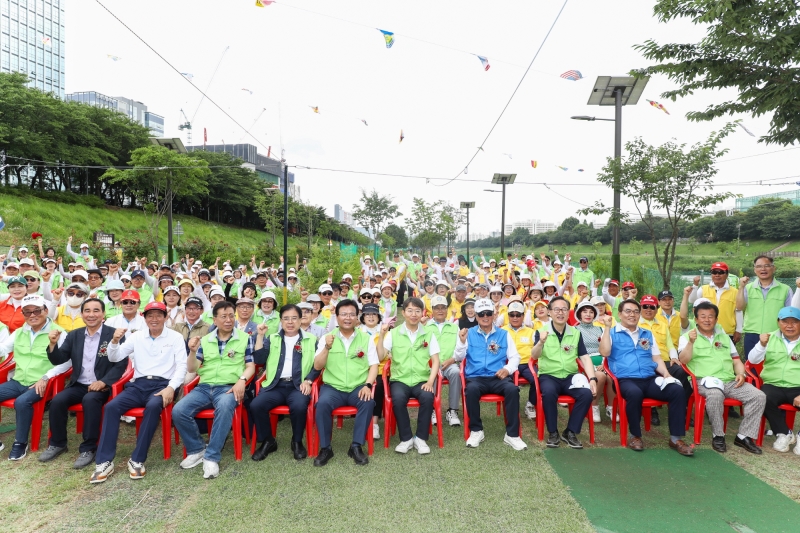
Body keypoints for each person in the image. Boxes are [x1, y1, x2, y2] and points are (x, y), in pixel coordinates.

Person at [91, 301, 187, 483]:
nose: (154, 319)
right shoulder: (137, 337)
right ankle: (103, 461)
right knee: (111, 407)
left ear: (165, 317)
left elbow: (182, 366)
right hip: (139, 384)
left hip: (163, 385)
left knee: (152, 407)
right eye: (150, 315)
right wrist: (114, 341)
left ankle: (137, 459)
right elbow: (115, 356)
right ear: (144, 317)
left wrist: (171, 388)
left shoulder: (174, 337)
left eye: (159, 315)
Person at [173, 301, 256, 479]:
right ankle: (197, 449)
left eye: (231, 316)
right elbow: (192, 368)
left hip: (228, 387)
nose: (228, 320)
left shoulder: (244, 338)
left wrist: (242, 380)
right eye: (223, 316)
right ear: (215, 320)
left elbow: (250, 366)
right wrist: (193, 352)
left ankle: (211, 456)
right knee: (179, 410)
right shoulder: (205, 340)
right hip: (204, 387)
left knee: (225, 407)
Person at [41, 298, 128, 468]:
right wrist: (52, 345)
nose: (91, 314)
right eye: (87, 311)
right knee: (57, 400)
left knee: (90, 400)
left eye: (96, 310)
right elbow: (59, 359)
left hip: (102, 386)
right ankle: (58, 443)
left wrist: (103, 382)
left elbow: (121, 364)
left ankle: (89, 448)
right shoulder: (75, 335)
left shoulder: (114, 334)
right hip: (79, 384)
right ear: (82, 314)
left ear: (103, 314)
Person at [599, 299, 693, 456]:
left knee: (677, 390)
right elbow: (605, 352)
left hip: (649, 379)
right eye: (628, 311)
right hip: (625, 379)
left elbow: (656, 359)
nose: (632, 314)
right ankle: (635, 436)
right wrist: (607, 328)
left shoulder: (647, 334)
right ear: (620, 314)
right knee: (635, 393)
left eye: (636, 311)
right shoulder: (611, 332)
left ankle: (676, 438)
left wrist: (667, 375)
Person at [678, 301, 765, 454]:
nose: (707, 320)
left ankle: (743, 436)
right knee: (715, 394)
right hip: (703, 381)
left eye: (711, 316)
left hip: (728, 380)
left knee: (758, 396)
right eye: (702, 316)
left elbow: (736, 360)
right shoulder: (687, 337)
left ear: (716, 319)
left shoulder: (724, 337)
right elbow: (683, 361)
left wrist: (740, 374)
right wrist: (691, 343)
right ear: (696, 319)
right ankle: (718, 435)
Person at [453, 298, 527, 451]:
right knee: (471, 390)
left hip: (498, 377)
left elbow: (515, 357)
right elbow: (459, 357)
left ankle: (512, 435)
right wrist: (461, 342)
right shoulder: (468, 333)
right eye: (481, 314)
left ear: (494, 315)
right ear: (477, 315)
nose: (485, 317)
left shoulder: (504, 334)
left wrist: (507, 369)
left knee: (512, 390)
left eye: (488, 313)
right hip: (476, 377)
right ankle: (476, 430)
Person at [0, 295, 68, 460]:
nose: (32, 315)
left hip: (44, 382)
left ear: (46, 310)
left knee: (22, 402)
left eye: (37, 310)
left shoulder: (58, 332)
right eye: (27, 312)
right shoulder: (19, 332)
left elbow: (67, 363)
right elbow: (3, 348)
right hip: (18, 380)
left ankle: (20, 442)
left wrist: (46, 377)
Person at [312, 299, 379, 467]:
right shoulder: (327, 338)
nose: (347, 318)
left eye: (351, 314)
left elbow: (374, 366)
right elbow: (317, 366)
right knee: (322, 405)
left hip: (358, 387)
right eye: (343, 314)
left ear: (357, 317)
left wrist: (368, 385)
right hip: (333, 387)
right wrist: (327, 348)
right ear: (336, 316)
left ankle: (356, 446)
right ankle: (326, 448)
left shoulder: (366, 338)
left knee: (368, 402)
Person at [250, 304, 319, 461]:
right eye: (286, 318)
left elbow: (318, 365)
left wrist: (309, 380)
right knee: (256, 405)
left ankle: (296, 441)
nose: (290, 322)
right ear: (281, 321)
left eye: (294, 318)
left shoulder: (311, 340)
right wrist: (260, 336)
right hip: (276, 385)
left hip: (298, 385)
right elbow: (259, 360)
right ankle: (268, 441)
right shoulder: (273, 338)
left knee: (299, 406)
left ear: (301, 320)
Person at [530, 297, 596, 449]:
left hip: (570, 376)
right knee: (549, 393)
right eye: (557, 310)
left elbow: (585, 357)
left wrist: (592, 378)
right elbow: (534, 356)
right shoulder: (541, 331)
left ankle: (570, 432)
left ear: (568, 313)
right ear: (550, 312)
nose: (560, 313)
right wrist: (541, 342)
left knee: (586, 394)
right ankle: (553, 432)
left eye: (564, 309)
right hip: (549, 375)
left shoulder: (576, 332)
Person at [378, 298, 440, 455]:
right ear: (403, 313)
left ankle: (420, 438)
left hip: (421, 379)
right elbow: (380, 357)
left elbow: (435, 360)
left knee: (427, 397)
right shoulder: (393, 333)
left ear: (422, 313)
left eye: (418, 311)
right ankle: (406, 439)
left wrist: (430, 381)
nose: (414, 314)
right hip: (400, 379)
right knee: (398, 399)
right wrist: (381, 335)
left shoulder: (429, 334)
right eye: (410, 311)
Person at [747, 306, 800, 455]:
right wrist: (761, 344)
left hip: (798, 386)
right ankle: (783, 433)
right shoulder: (769, 338)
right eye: (785, 321)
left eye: (794, 322)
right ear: (778, 322)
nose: (789, 326)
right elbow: (752, 360)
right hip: (773, 385)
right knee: (761, 397)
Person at [637, 294, 690, 426]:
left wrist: (673, 357)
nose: (648, 309)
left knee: (681, 372)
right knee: (649, 375)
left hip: (665, 359)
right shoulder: (636, 323)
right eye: (645, 306)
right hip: (645, 361)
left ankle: (680, 409)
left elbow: (670, 344)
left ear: (656, 309)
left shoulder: (662, 324)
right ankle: (652, 410)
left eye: (652, 307)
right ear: (640, 307)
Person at [736, 255, 793, 357]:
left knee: (774, 366)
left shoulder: (785, 289)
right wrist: (741, 287)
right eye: (759, 266)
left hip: (775, 334)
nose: (763, 269)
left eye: (767, 266)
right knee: (752, 367)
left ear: (773, 268)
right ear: (754, 270)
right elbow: (739, 307)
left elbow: (790, 314)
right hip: (752, 334)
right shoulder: (748, 288)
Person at [426, 295, 462, 427]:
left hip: (449, 363)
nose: (440, 311)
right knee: (432, 374)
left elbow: (461, 348)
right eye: (437, 308)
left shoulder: (454, 327)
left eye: (443, 308)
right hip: (430, 365)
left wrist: (453, 359)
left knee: (456, 373)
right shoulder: (425, 327)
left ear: (447, 310)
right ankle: (433, 409)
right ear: (432, 310)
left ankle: (452, 410)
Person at [503, 300, 538, 421]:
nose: (515, 317)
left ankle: (531, 404)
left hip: (526, 363)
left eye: (518, 315)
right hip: (508, 364)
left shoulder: (531, 332)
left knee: (537, 379)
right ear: (508, 316)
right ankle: (511, 407)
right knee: (507, 384)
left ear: (523, 316)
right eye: (512, 315)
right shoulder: (501, 331)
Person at [688, 263, 741, 343]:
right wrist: (695, 286)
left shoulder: (735, 292)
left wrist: (738, 330)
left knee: (726, 355)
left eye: (720, 272)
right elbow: (692, 300)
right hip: (704, 331)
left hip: (727, 332)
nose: (717, 275)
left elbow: (738, 311)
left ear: (727, 274)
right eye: (714, 272)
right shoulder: (703, 289)